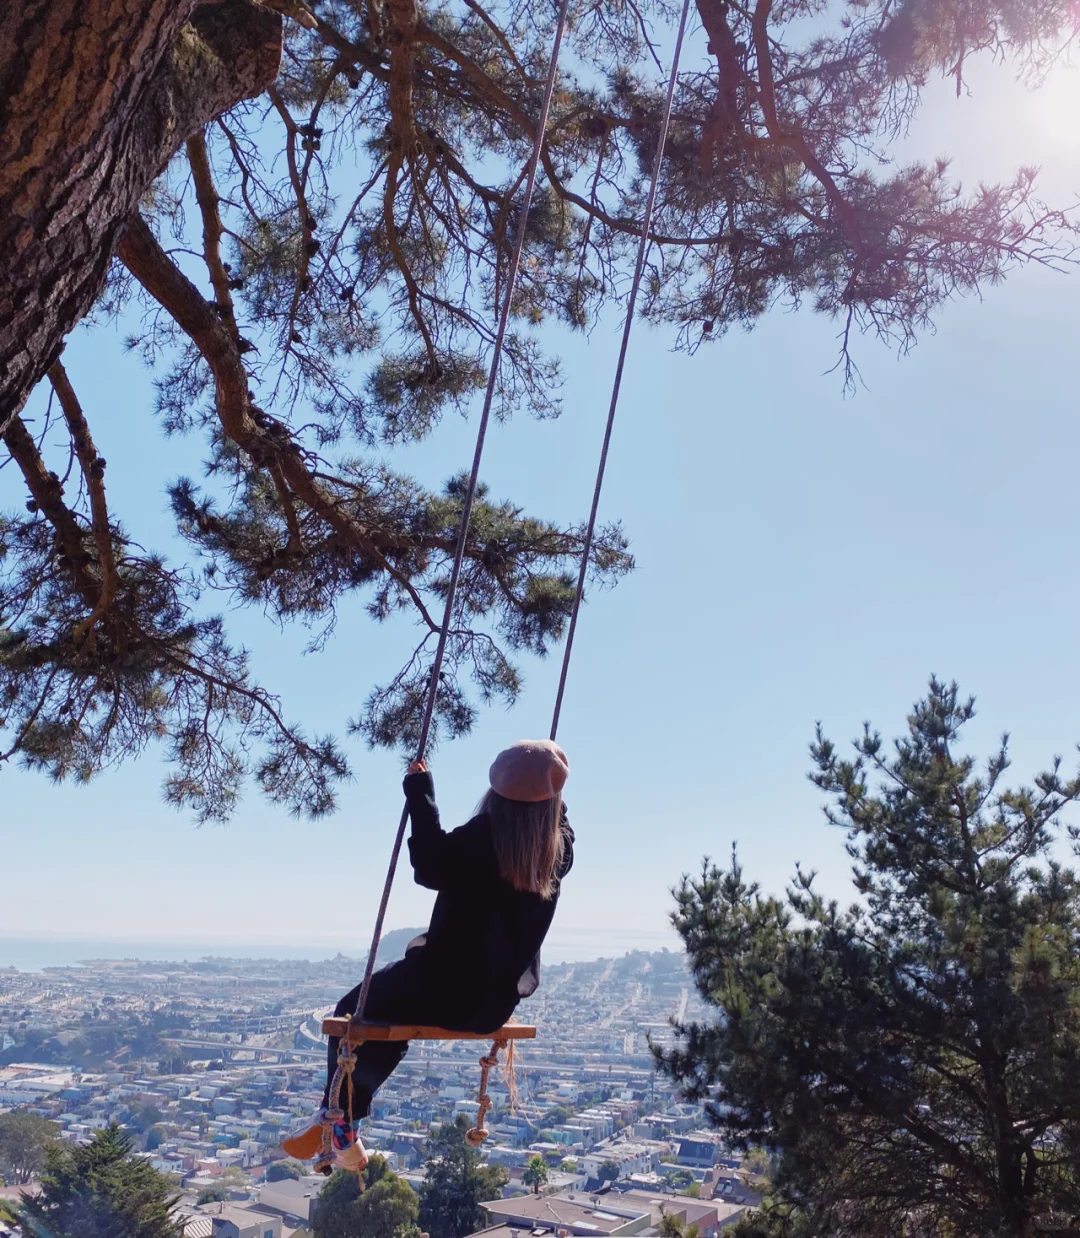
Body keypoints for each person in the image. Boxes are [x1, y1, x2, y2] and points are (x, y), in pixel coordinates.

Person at [283, 738, 573, 1171]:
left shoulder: (481, 839)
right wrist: (554, 798)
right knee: (391, 1021)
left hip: (438, 989)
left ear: (495, 795)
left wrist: (420, 791)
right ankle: (344, 1128)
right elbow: (562, 826)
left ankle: (342, 1124)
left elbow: (429, 864)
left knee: (352, 1016)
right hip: (492, 1005)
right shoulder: (557, 851)